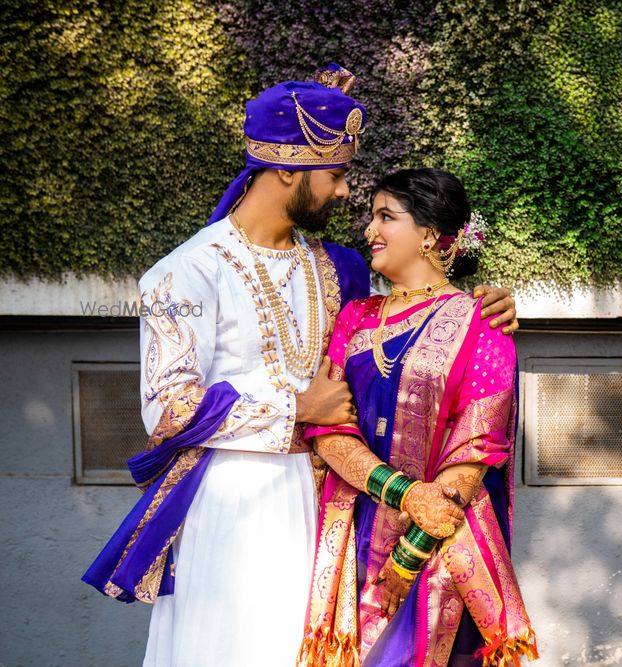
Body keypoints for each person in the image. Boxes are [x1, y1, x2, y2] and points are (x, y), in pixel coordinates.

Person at [82, 65, 517, 667]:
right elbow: (167, 408)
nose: (344, 194)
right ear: (288, 168)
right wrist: (297, 409)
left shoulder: (339, 266)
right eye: (336, 176)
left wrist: (484, 306)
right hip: (237, 500)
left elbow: (413, 325)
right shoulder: (185, 273)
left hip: (333, 507)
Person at [297, 168, 538, 667]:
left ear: (429, 234)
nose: (370, 231)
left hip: (443, 542)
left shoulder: (483, 322)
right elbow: (329, 425)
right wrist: (400, 491)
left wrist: (409, 555)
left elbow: (478, 446)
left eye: (386, 216)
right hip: (355, 527)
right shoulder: (355, 317)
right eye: (371, 217)